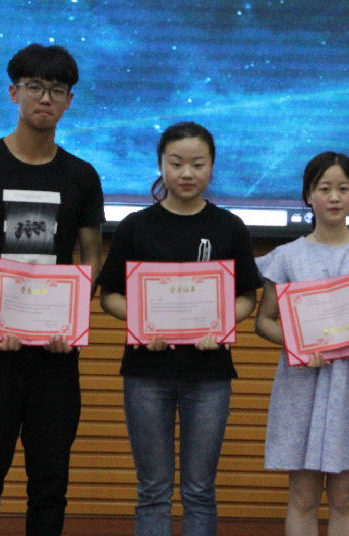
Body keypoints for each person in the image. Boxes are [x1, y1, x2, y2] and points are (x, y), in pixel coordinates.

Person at [0, 44, 105, 536]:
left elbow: (92, 255)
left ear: (70, 100)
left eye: (57, 89)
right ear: (14, 92)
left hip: (56, 350)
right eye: (34, 87)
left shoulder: (82, 176)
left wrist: (71, 318)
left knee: (50, 482)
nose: (45, 98)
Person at [96, 121, 262, 536]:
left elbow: (247, 296)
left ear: (212, 167)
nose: (187, 173)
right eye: (176, 163)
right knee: (152, 490)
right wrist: (140, 321)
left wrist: (222, 323)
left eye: (198, 164)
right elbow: (109, 295)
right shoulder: (136, 226)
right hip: (145, 373)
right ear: (161, 165)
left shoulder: (229, 227)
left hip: (209, 375)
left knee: (200, 491)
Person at [254, 152, 349, 536]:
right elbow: (263, 322)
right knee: (302, 497)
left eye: (343, 188)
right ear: (308, 195)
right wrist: (299, 344)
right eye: (324, 189)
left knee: (345, 499)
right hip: (302, 386)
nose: (334, 197)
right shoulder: (286, 257)